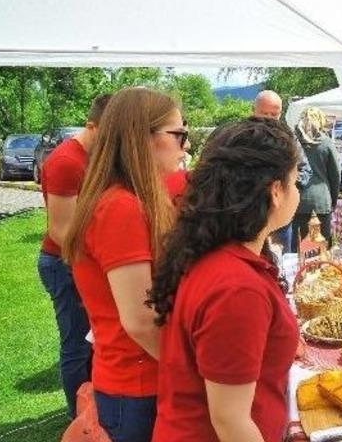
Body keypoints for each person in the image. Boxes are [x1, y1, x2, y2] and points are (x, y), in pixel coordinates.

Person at [149, 120, 301, 441]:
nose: (297, 191)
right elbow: (231, 422)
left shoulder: (221, 255)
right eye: (295, 181)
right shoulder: (237, 288)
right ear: (275, 191)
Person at [63, 87, 188, 442]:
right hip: (136, 387)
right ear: (141, 137)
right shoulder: (121, 207)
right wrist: (192, 372)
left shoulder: (127, 200)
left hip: (135, 382)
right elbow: (140, 320)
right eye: (179, 134)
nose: (186, 145)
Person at [37, 94, 109, 419]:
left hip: (82, 261)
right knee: (77, 345)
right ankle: (78, 418)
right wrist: (103, 262)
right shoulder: (66, 161)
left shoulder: (93, 155)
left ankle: (92, 409)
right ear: (92, 126)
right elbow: (60, 231)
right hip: (64, 264)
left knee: (93, 343)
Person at [254, 90, 312, 253]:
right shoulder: (240, 137)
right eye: (264, 114)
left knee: (281, 265)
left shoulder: (289, 138)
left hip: (280, 218)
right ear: (254, 110)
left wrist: (285, 185)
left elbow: (306, 170)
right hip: (249, 218)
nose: (269, 119)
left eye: (274, 114)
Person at [292, 107, 340, 250]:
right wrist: (333, 200)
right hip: (321, 201)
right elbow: (335, 174)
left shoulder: (293, 141)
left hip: (297, 201)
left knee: (299, 249)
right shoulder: (325, 142)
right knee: (322, 248)